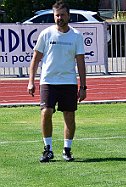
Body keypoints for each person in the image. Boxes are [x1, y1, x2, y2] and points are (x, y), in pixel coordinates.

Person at [27, 0, 86, 162]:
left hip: (68, 82)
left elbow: (80, 62)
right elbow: (35, 59)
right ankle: (48, 149)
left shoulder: (76, 36)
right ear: (54, 16)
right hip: (48, 81)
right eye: (57, 15)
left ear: (68, 16)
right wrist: (31, 81)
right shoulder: (46, 34)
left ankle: (67, 150)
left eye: (62, 15)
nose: (59, 18)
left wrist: (83, 86)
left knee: (69, 115)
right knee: (46, 112)